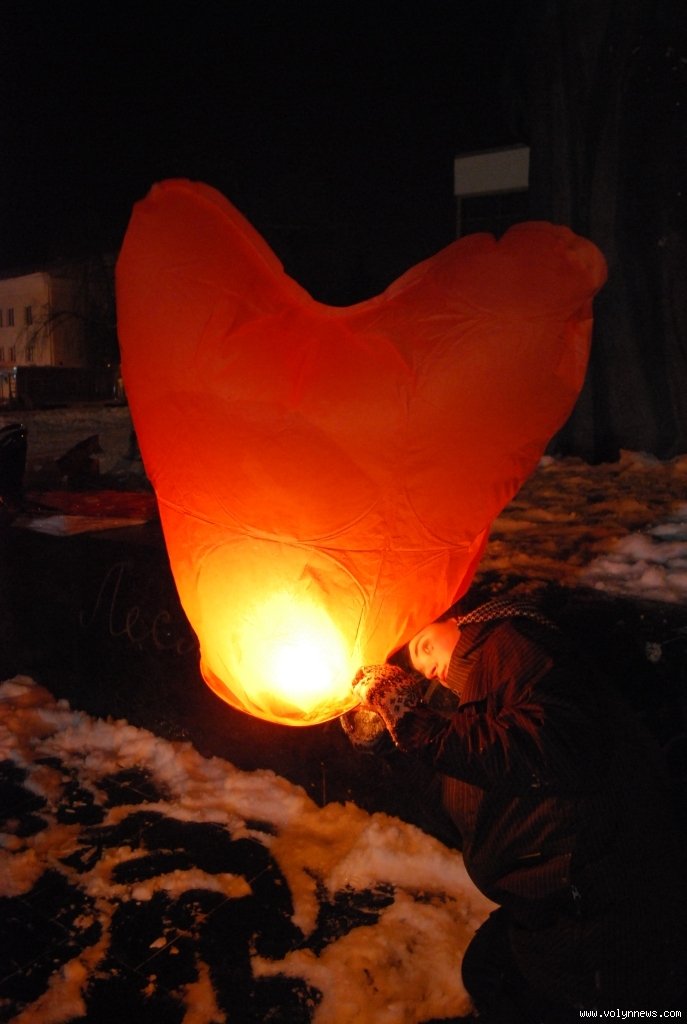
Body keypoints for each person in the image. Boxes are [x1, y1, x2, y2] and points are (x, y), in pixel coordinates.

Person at [352, 596, 687, 1021]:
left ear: (461, 615)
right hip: (552, 908)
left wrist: (419, 726)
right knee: (487, 974)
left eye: (425, 646)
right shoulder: (474, 689)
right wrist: (392, 743)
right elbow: (464, 799)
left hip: (603, 908)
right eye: (418, 666)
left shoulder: (511, 642)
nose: (427, 668)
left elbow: (555, 744)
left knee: (598, 1005)